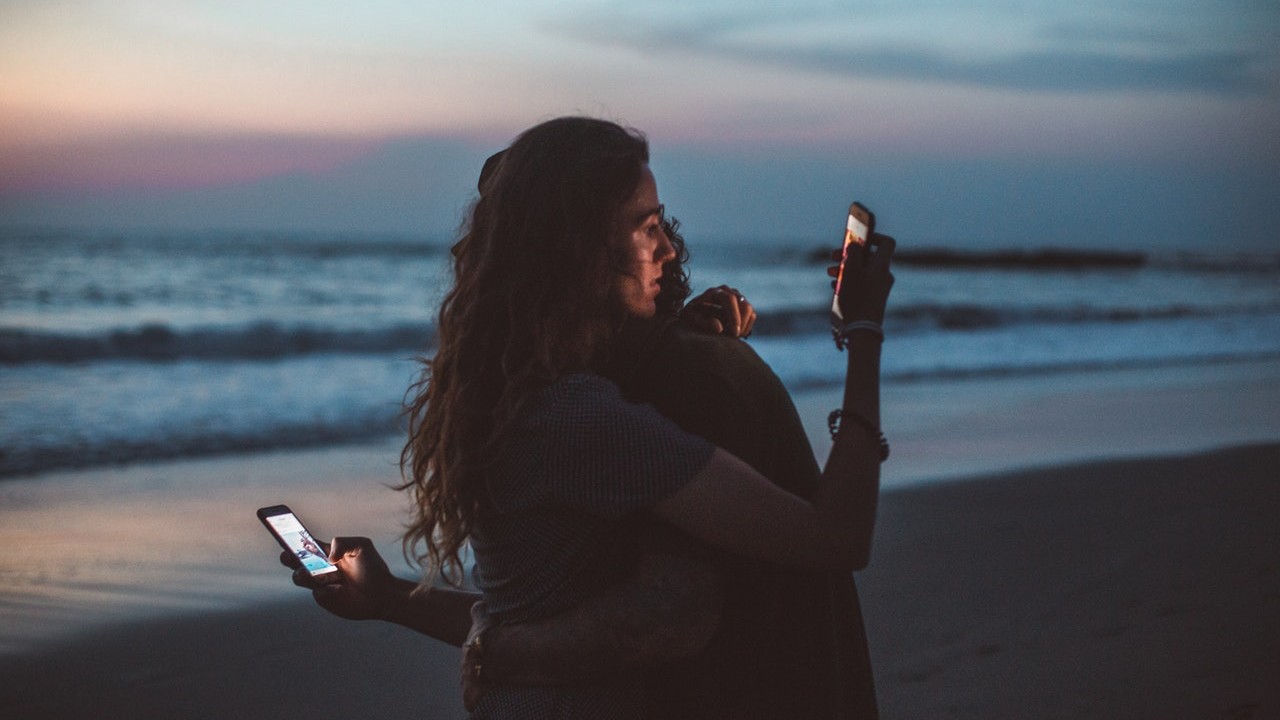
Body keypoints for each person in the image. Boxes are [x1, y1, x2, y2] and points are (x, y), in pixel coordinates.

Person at [288, 116, 894, 718]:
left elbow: (517, 618)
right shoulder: (584, 419)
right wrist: (864, 335)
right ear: (582, 250)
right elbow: (834, 537)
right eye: (648, 227)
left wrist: (392, 597)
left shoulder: (511, 396)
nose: (669, 248)